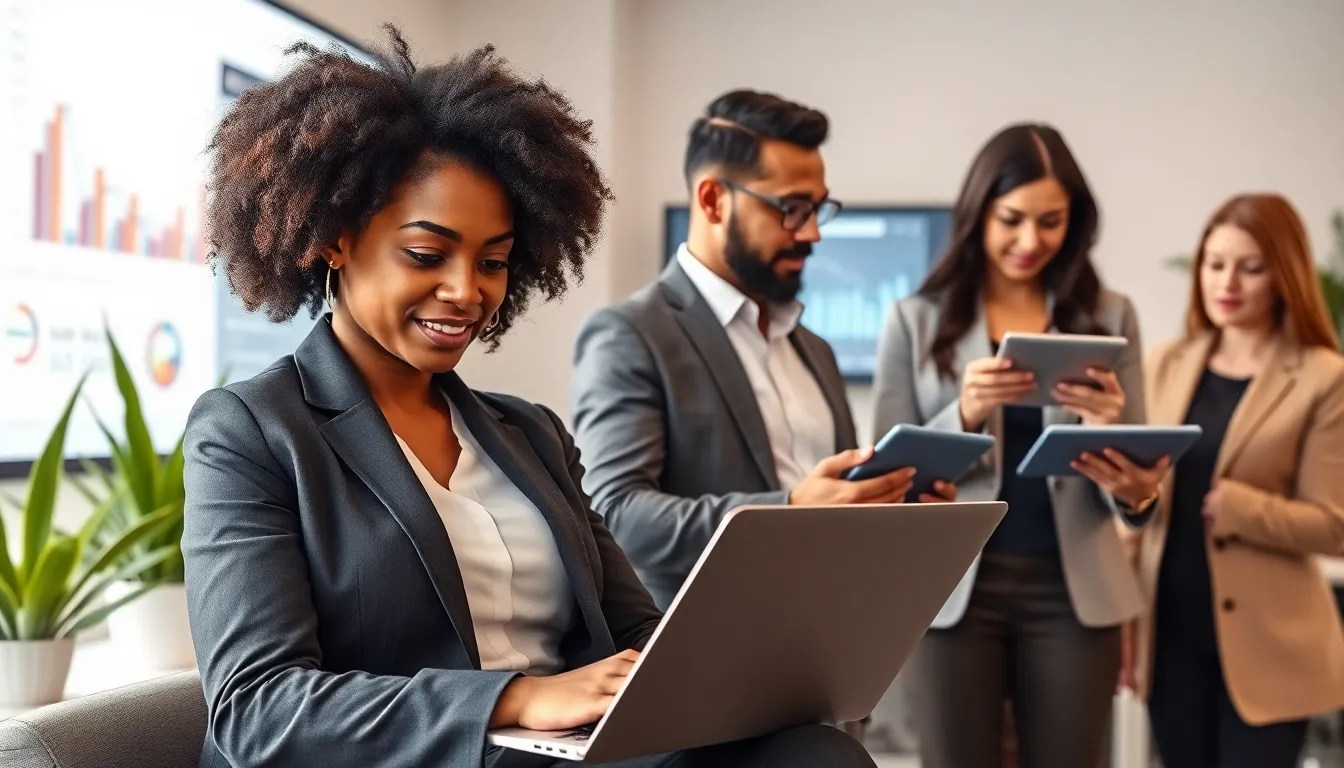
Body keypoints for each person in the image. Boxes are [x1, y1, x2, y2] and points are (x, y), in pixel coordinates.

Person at [182, 29, 876, 768]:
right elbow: (256, 707)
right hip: (444, 752)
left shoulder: (530, 434)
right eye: (427, 254)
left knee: (815, 751)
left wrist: (742, 675)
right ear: (334, 240)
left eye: (494, 262)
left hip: (572, 750)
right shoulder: (251, 432)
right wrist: (516, 698)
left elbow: (634, 630)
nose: (466, 290)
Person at [570, 90, 955, 611]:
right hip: (704, 642)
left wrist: (889, 502)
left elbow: (834, 504)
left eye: (818, 209)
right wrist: (791, 508)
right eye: (792, 209)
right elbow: (618, 515)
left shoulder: (815, 349)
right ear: (712, 201)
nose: (813, 232)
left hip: (827, 631)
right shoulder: (630, 334)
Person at [869, 123, 1165, 768]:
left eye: (1051, 221)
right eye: (1012, 219)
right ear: (978, 214)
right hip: (950, 591)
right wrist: (966, 410)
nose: (1031, 241)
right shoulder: (913, 321)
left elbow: (1140, 491)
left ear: (1075, 222)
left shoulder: (1111, 317)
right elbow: (887, 484)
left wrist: (1110, 431)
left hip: (1074, 592)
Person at [1127, 193, 1344, 768]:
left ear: (1284, 275)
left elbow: (1334, 527)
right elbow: (1140, 501)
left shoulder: (1324, 378)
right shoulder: (1167, 362)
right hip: (1170, 636)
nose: (1228, 282)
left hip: (1272, 648)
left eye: (1250, 268)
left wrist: (1244, 508)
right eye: (1215, 263)